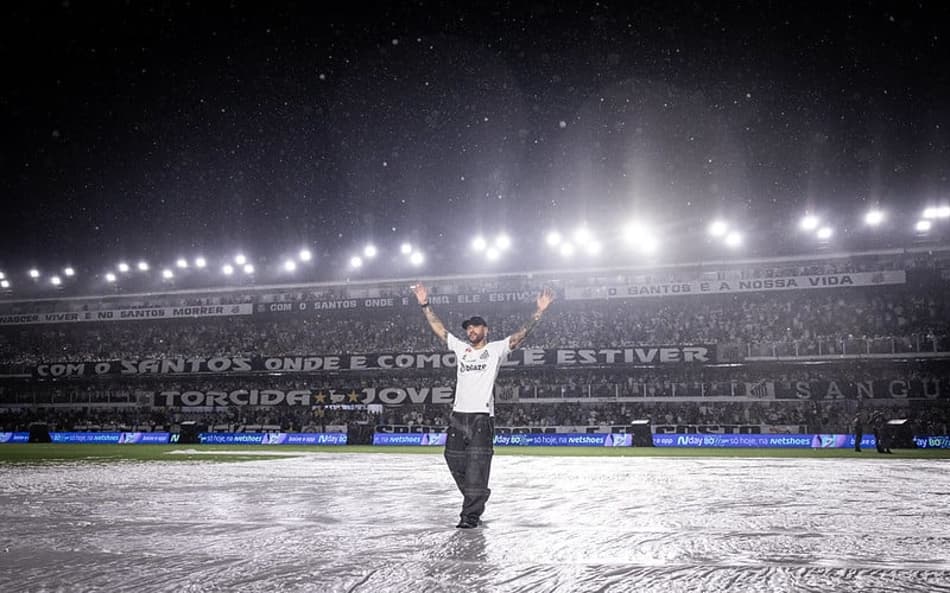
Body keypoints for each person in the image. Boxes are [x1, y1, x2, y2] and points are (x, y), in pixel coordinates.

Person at [412, 282, 555, 528]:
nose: (471, 330)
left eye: (476, 326)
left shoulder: (496, 349)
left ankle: (470, 516)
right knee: (452, 458)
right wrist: (425, 304)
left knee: (478, 466)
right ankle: (476, 494)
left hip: (481, 416)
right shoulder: (461, 348)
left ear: (485, 330)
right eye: (468, 328)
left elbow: (521, 334)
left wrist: (539, 311)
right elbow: (440, 329)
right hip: (458, 415)